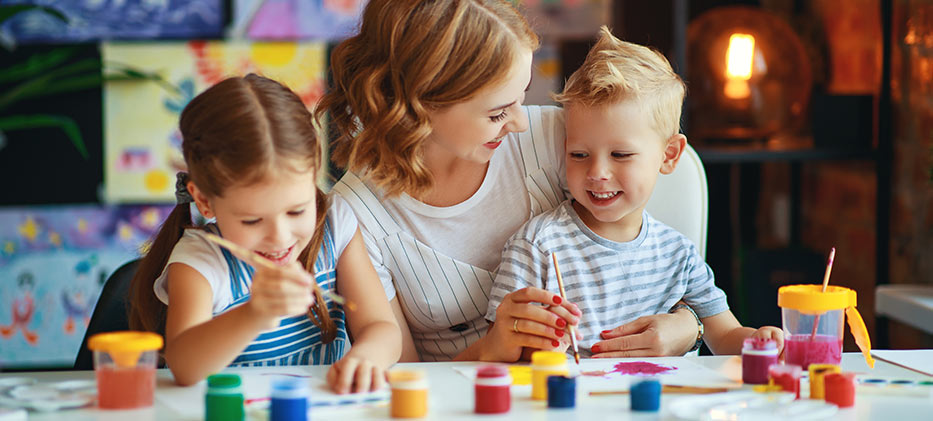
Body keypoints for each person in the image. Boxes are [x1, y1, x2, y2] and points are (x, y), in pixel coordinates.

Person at [317, 0, 701, 362]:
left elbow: (642, 257)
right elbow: (404, 376)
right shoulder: (358, 215)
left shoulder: (559, 141)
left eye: (521, 97)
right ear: (420, 105)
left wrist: (690, 325)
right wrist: (491, 348)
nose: (520, 122)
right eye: (498, 112)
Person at [487, 27, 784, 358]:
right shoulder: (536, 246)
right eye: (579, 155)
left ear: (669, 155)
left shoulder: (679, 256)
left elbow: (725, 335)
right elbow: (500, 346)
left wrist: (761, 341)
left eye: (620, 155)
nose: (597, 173)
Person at [128, 74, 401, 392]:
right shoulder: (201, 261)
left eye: (297, 211)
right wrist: (255, 313)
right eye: (252, 221)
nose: (280, 237)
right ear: (204, 200)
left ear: (314, 176)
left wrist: (366, 357)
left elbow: (382, 328)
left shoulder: (334, 227)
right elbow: (184, 366)